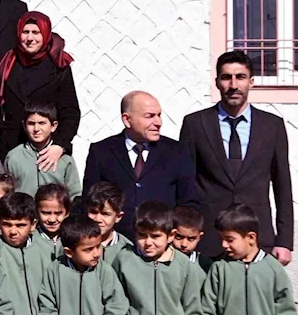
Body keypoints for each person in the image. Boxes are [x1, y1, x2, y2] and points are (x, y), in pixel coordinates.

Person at [180, 51, 293, 263]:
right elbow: (185, 184)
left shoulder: (272, 126)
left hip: (256, 238)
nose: (233, 85)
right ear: (217, 82)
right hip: (208, 240)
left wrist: (285, 241)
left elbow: (282, 185)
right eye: (226, 77)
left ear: (251, 82)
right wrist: (184, 235)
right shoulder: (195, 124)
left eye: (240, 77)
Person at [82, 91, 198, 240]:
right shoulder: (101, 151)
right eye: (150, 116)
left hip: (159, 243)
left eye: (159, 115)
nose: (158, 122)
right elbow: (89, 199)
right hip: (114, 243)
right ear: (127, 120)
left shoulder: (177, 151)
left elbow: (188, 202)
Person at [201, 204, 298, 315]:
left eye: (229, 239)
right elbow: (208, 309)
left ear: (251, 238)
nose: (224, 244)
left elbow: (285, 314)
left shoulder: (273, 269)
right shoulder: (220, 268)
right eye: (221, 238)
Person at [112, 201, 204, 315]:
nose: (148, 242)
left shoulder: (184, 265)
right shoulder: (124, 259)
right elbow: (115, 303)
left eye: (155, 236)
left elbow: (192, 306)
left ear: (171, 236)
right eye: (142, 235)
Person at [38, 215, 128, 315]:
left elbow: (117, 306)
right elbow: (47, 306)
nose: (96, 253)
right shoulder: (55, 270)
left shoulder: (105, 271)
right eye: (88, 249)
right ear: (69, 252)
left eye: (98, 246)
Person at [0, 11, 79, 162]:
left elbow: (70, 112)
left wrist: (60, 145)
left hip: (47, 152)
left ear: (45, 34)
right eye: (25, 32)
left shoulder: (58, 67)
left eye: (36, 32)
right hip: (10, 150)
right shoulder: (8, 62)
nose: (30, 38)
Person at [5, 102, 82, 200]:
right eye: (31, 123)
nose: (36, 129)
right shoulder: (13, 157)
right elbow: (6, 193)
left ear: (53, 126)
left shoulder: (65, 159)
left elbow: (74, 195)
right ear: (24, 126)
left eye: (42, 123)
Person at [83, 181, 132, 264]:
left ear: (118, 217)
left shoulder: (127, 249)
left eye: (105, 214)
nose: (98, 219)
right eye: (93, 212)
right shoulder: (74, 243)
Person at [172, 205, 212, 276]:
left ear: (199, 237)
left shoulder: (204, 264)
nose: (184, 244)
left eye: (191, 239)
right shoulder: (160, 259)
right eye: (179, 237)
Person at [35, 184, 71, 261]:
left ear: (67, 213)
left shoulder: (72, 239)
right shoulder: (30, 241)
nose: (52, 220)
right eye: (46, 213)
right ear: (36, 212)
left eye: (58, 213)